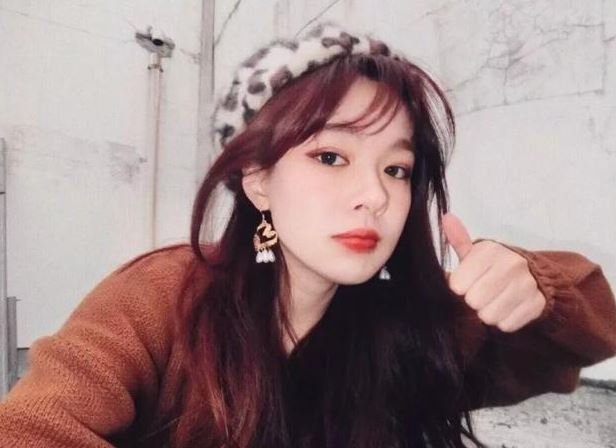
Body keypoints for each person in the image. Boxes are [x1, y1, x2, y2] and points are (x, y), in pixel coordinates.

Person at [1, 22, 615, 448]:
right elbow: (29, 429)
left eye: (396, 169)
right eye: (330, 157)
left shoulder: (409, 325)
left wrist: (537, 286)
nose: (375, 195)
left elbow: (592, 332)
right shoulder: (162, 298)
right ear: (258, 181)